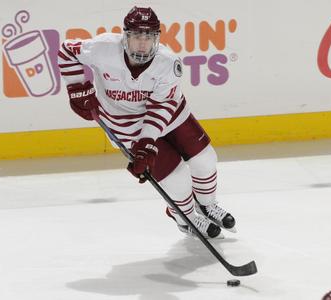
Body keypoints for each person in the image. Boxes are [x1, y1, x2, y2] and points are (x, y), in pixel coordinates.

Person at [57, 6, 236, 238]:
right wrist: (77, 87)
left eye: (149, 37)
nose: (142, 44)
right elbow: (66, 50)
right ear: (125, 37)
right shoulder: (103, 49)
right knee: (177, 177)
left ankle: (207, 204)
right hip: (124, 123)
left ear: (157, 38)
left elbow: (160, 108)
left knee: (206, 160)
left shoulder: (168, 63)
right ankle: (186, 216)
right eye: (136, 37)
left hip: (169, 115)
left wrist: (146, 145)